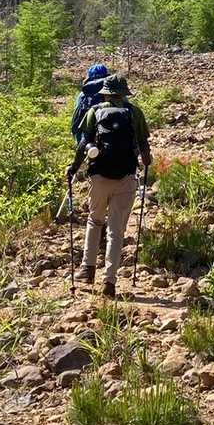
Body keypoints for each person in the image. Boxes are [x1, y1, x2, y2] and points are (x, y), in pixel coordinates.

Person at [66, 74, 151, 298]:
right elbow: (144, 145)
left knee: (95, 221)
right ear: (124, 94)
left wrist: (73, 168)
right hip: (126, 177)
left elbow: (83, 144)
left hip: (99, 176)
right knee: (116, 231)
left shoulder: (94, 111)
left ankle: (88, 268)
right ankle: (109, 282)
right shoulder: (135, 112)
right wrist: (146, 162)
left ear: (105, 93)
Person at [70, 63, 109, 145]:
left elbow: (77, 114)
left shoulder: (84, 94)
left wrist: (75, 132)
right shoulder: (114, 93)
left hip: (88, 134)